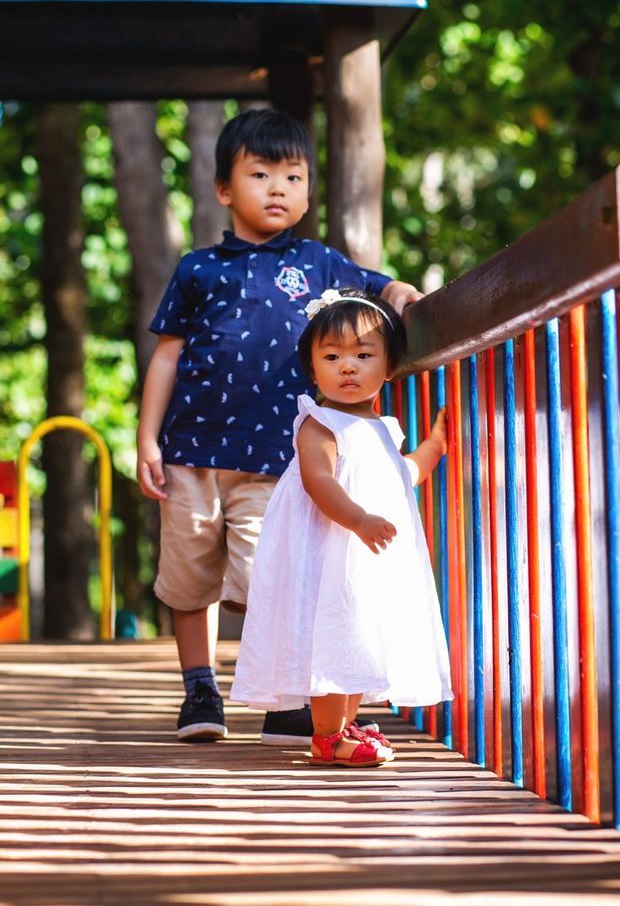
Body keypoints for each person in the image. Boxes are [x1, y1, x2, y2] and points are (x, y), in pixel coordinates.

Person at [136, 109, 422, 743]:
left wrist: (402, 291)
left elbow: (378, 290)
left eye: (294, 177)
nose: (278, 188)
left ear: (308, 192)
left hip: (273, 457)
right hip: (191, 450)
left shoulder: (319, 263)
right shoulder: (199, 269)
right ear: (223, 188)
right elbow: (167, 357)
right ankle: (199, 689)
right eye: (260, 174)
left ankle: (287, 698)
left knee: (268, 576)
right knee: (189, 577)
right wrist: (146, 438)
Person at [231, 289, 453, 766]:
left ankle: (346, 725)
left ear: (389, 367)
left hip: (361, 558)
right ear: (313, 371)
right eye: (332, 357)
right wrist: (358, 519)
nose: (347, 367)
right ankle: (327, 736)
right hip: (330, 550)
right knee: (333, 634)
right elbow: (318, 481)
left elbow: (401, 475)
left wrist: (434, 447)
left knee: (355, 634)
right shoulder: (320, 423)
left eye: (363, 355)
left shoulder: (382, 428)